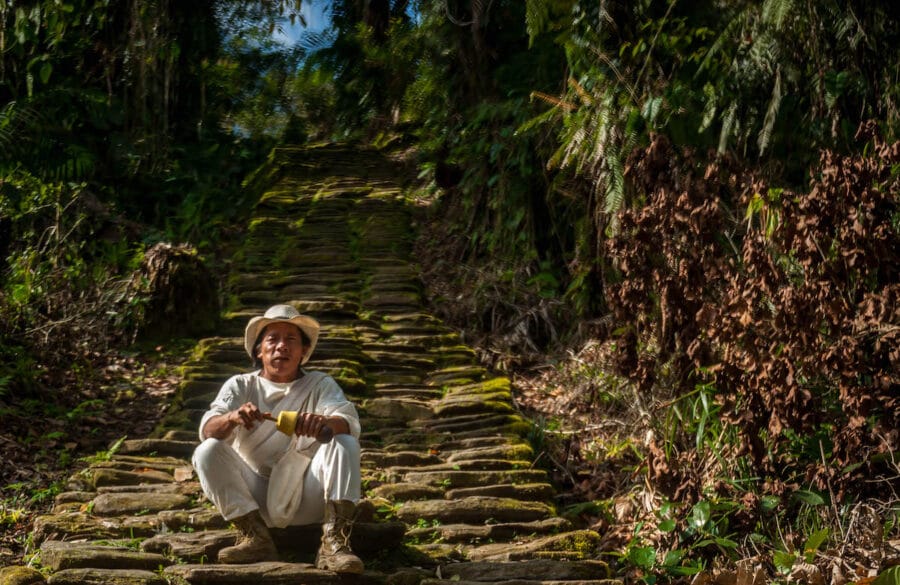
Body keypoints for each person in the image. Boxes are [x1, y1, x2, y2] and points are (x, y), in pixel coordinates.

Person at [191, 304, 364, 573]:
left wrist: (322, 423)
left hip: (309, 494)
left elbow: (348, 422)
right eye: (272, 339)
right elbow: (208, 430)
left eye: (291, 340)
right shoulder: (240, 385)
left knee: (345, 441)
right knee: (206, 451)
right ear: (259, 351)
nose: (281, 346)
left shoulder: (320, 384)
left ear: (304, 351)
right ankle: (254, 537)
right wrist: (233, 417)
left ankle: (334, 543)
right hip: (255, 499)